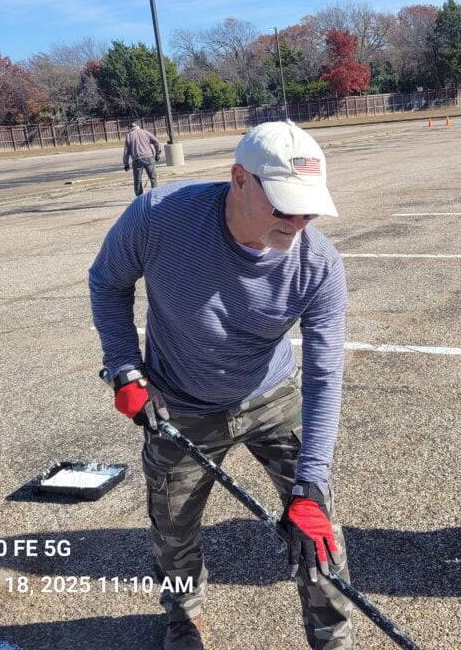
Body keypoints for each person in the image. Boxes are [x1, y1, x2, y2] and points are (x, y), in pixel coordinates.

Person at [90, 120, 353, 649]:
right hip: (179, 404)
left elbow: (325, 377)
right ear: (239, 179)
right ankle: (183, 618)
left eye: (309, 209)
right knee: (173, 529)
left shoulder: (319, 264)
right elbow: (107, 281)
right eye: (285, 206)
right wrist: (124, 366)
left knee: (317, 527)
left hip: (272, 397)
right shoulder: (159, 218)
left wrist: (311, 485)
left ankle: (333, 637)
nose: (298, 223)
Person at [124, 120, 163, 196]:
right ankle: (155, 195)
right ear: (138, 126)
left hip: (136, 160)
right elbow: (156, 142)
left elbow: (126, 152)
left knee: (137, 180)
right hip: (148, 158)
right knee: (153, 178)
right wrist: (157, 153)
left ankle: (139, 197)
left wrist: (126, 164)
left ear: (130, 128)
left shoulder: (129, 136)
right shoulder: (145, 132)